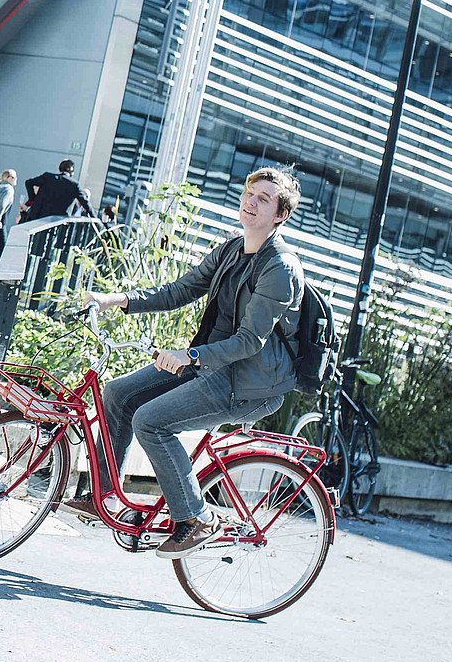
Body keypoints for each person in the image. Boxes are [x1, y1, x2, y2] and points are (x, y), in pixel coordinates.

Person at [71, 167, 306, 556]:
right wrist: (118, 299)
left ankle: (196, 518)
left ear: (280, 215)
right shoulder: (233, 249)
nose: (250, 201)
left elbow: (249, 341)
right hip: (212, 364)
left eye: (264, 199)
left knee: (151, 421)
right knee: (118, 394)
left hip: (250, 382)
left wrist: (189, 355)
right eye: (250, 193)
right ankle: (106, 497)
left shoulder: (280, 268)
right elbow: (181, 290)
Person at [22, 158, 94, 223]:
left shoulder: (48, 177)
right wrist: (95, 218)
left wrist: (32, 198)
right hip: (57, 222)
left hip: (38, 216)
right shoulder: (74, 185)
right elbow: (86, 203)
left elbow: (29, 183)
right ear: (72, 172)